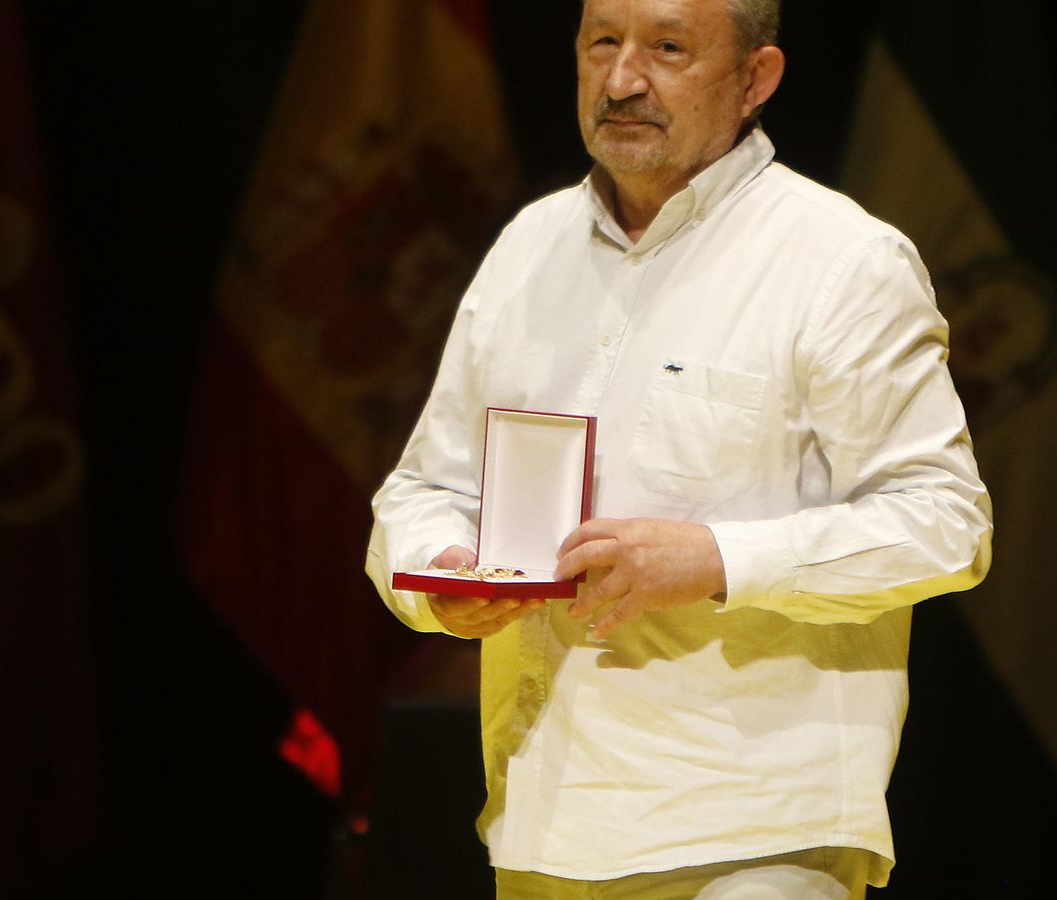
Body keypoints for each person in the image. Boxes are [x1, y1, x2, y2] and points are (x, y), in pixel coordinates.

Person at [365, 0, 993, 895]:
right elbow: (422, 489)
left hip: (753, 830)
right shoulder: (527, 248)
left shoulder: (842, 260)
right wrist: (442, 578)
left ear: (755, 80)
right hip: (542, 824)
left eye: (667, 49)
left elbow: (944, 524)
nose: (623, 82)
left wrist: (713, 558)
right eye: (602, 45)